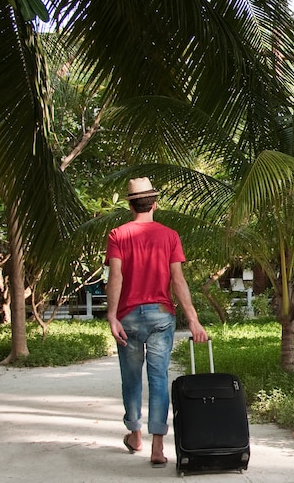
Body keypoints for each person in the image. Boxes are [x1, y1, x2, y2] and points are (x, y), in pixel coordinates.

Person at [105, 177, 208, 468]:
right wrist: (194, 320)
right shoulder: (169, 235)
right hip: (161, 315)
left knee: (131, 378)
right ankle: (158, 447)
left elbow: (116, 276)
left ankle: (135, 435)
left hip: (128, 317)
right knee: (159, 379)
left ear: (130, 204)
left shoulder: (117, 235)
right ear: (155, 203)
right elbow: (177, 280)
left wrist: (112, 315)